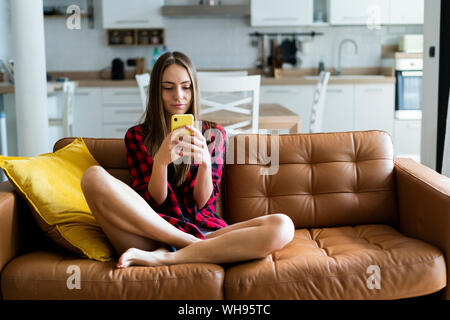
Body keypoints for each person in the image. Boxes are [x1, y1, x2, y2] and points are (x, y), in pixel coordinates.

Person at [80, 51, 295, 268]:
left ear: (194, 90)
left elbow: (203, 203)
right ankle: (193, 245)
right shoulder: (136, 136)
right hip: (154, 234)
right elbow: (154, 202)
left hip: (202, 228)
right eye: (168, 88)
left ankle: (168, 258)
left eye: (186, 87)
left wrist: (205, 164)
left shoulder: (213, 134)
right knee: (92, 176)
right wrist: (161, 163)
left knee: (283, 225)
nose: (179, 96)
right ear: (156, 91)